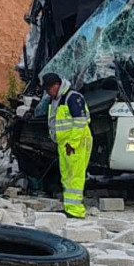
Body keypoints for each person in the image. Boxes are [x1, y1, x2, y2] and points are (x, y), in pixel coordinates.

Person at [39, 73, 92, 218]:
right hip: (65, 144)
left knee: (75, 176)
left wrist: (72, 143)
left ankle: (76, 211)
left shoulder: (72, 97)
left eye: (49, 89)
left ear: (57, 85)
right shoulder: (57, 100)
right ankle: (70, 208)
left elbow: (80, 122)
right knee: (67, 176)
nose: (48, 92)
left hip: (76, 143)